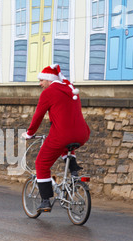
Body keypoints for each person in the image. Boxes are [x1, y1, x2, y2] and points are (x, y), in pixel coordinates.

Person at [22, 64, 90, 214]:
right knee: (65, 147)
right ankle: (74, 173)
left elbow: (38, 116)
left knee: (41, 163)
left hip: (62, 135)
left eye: (41, 80)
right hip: (82, 133)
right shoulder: (71, 88)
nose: (40, 84)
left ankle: (45, 200)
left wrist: (29, 133)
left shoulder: (49, 93)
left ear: (49, 79)